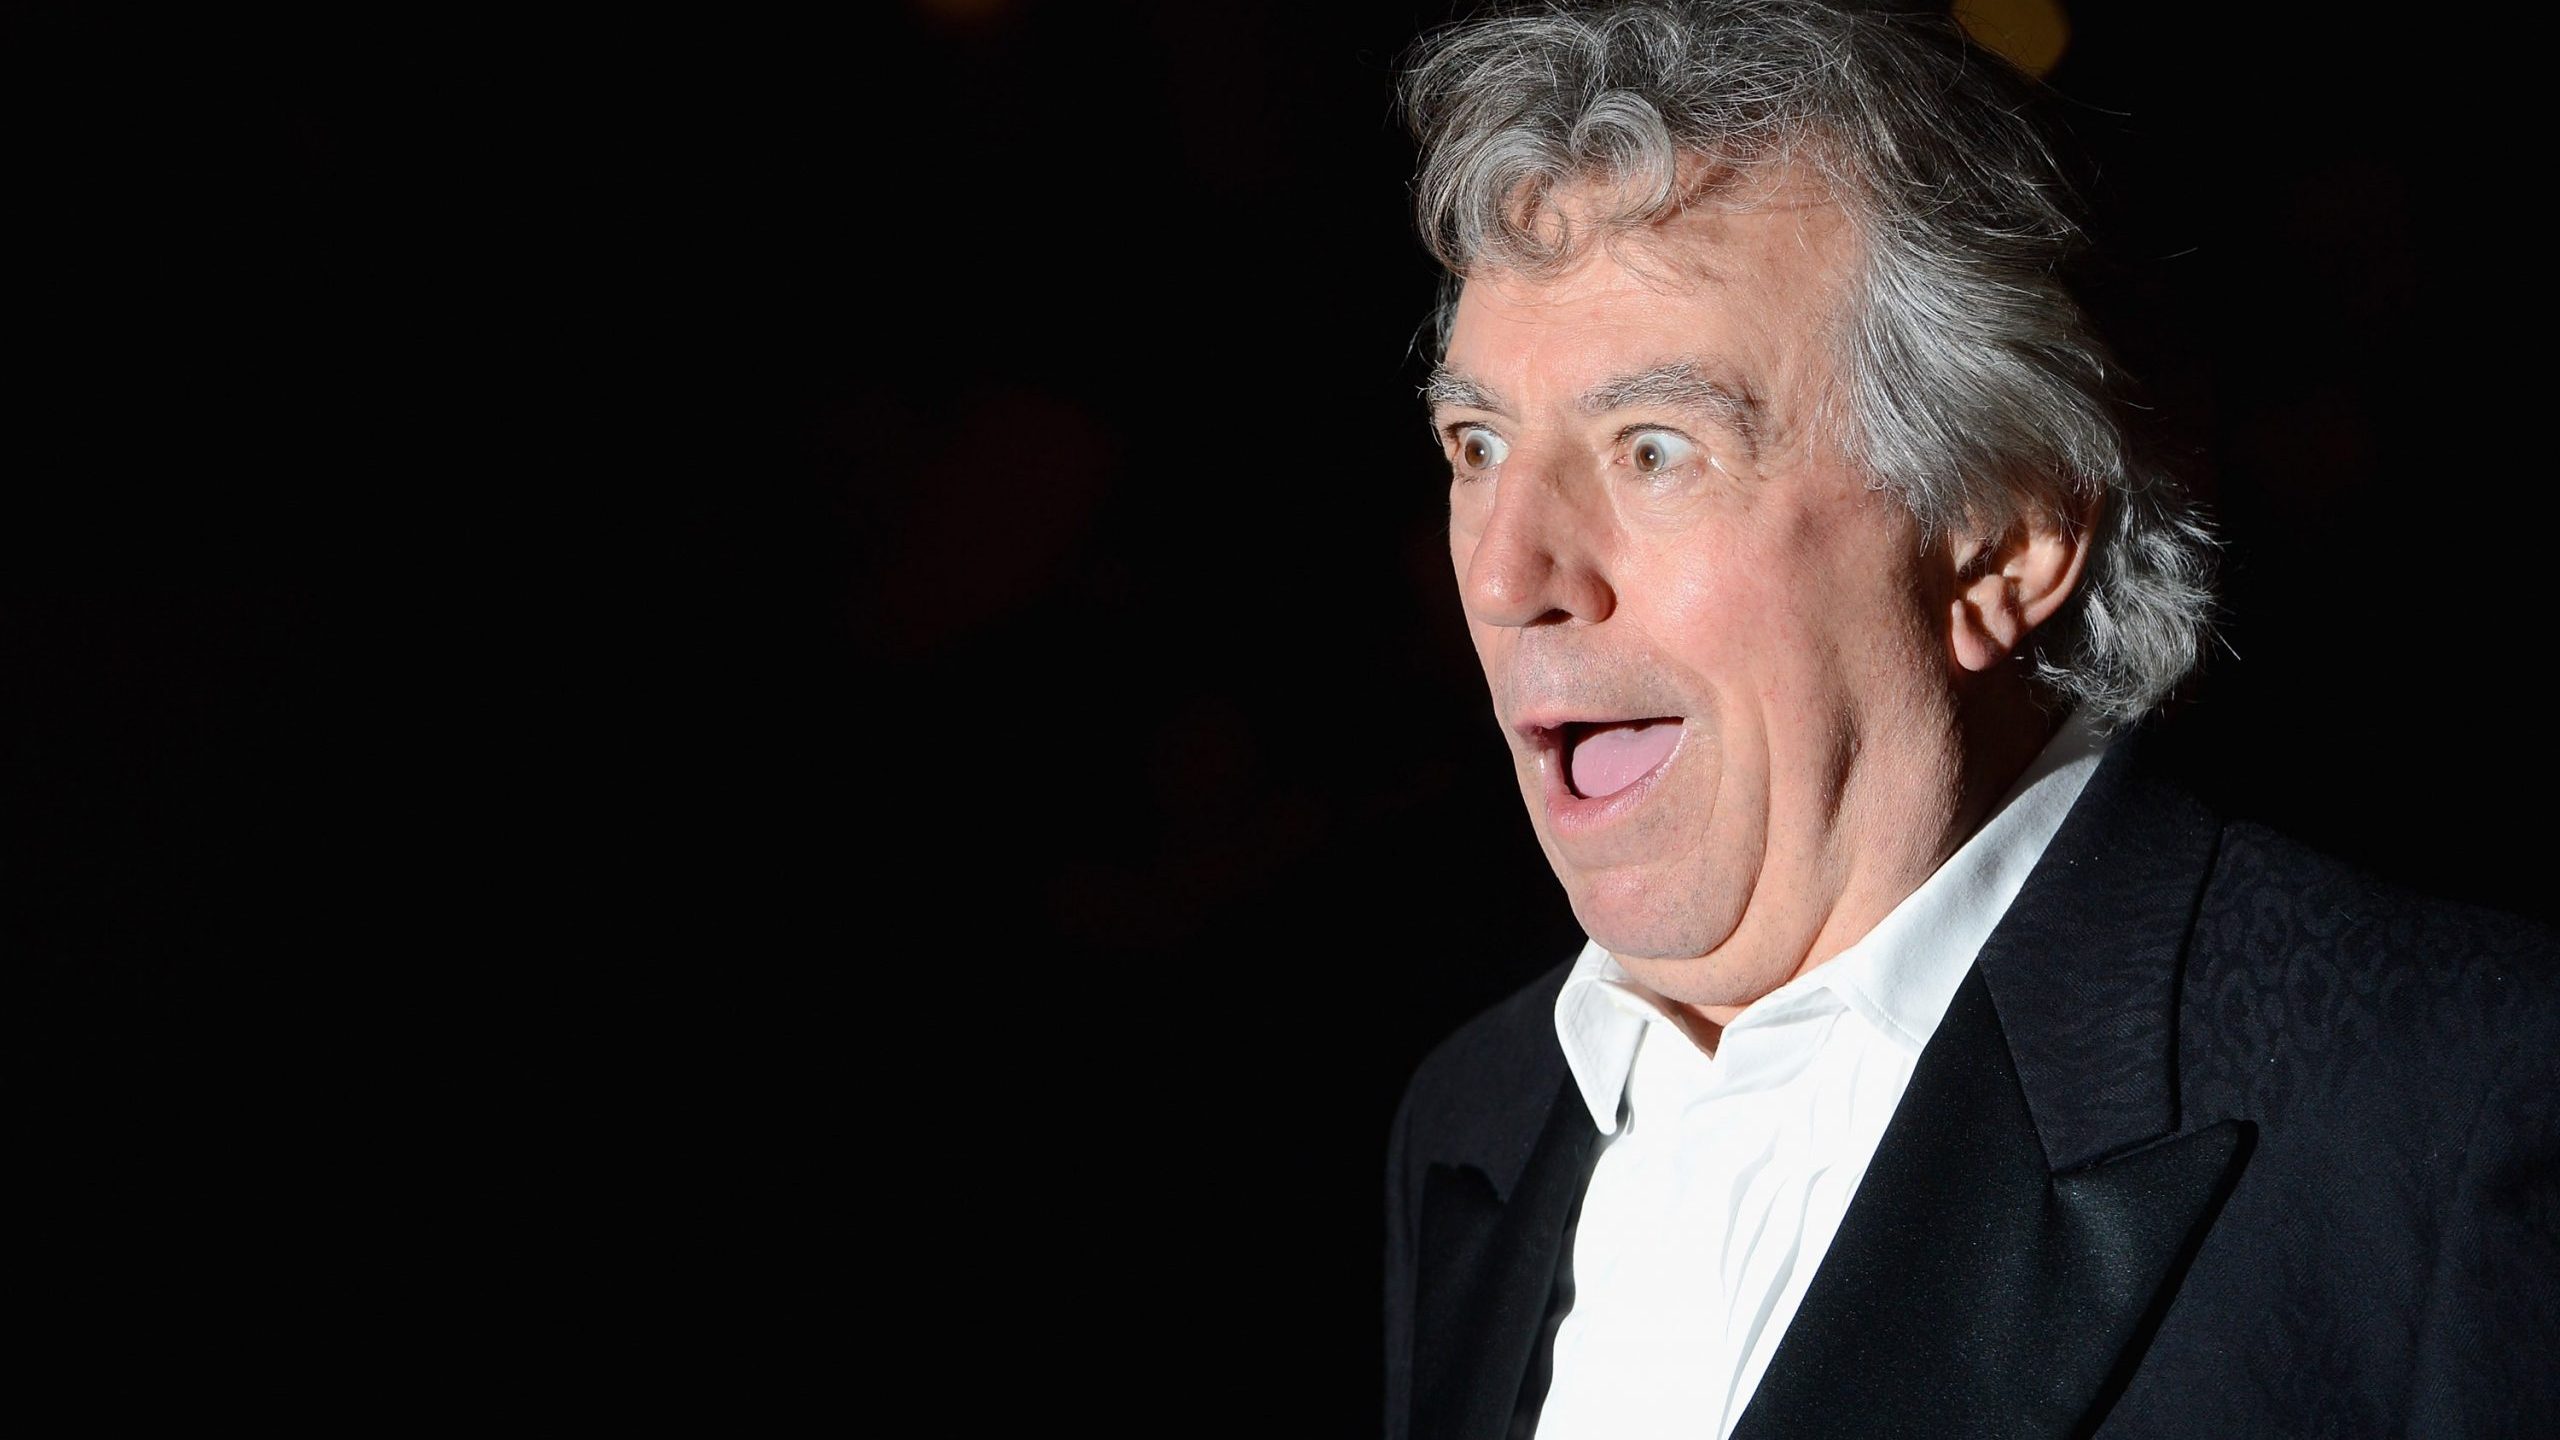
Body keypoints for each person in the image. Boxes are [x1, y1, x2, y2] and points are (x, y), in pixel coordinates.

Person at [1379, 4, 2560, 1438]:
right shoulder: (1474, 1124)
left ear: (2004, 541)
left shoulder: (2452, 1105)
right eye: (1478, 445)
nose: (1507, 574)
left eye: (1654, 449)